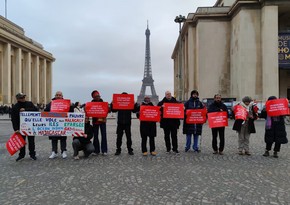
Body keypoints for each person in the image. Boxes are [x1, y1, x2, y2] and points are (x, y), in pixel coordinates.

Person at [45, 91, 73, 159]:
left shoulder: (66, 103)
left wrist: (71, 106)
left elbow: (71, 112)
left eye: (59, 95)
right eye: (57, 95)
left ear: (62, 96)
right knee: (54, 138)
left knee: (63, 138)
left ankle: (63, 151)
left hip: (63, 123)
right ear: (55, 96)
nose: (58, 96)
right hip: (53, 124)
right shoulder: (51, 103)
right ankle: (54, 152)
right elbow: (46, 111)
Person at [11, 93, 39, 161]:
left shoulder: (29, 103)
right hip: (21, 128)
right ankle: (21, 155)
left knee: (31, 142)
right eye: (21, 98)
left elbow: (36, 110)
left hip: (30, 127)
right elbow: (13, 119)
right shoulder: (15, 107)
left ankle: (32, 154)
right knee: (21, 142)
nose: (23, 98)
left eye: (24, 97)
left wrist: (26, 110)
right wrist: (16, 129)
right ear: (17, 99)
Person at [90, 90, 108, 156]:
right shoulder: (91, 104)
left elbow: (108, 110)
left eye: (98, 96)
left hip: (102, 121)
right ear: (93, 97)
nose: (98, 97)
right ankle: (96, 150)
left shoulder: (103, 103)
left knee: (104, 135)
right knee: (95, 136)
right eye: (96, 96)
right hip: (95, 121)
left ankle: (104, 150)